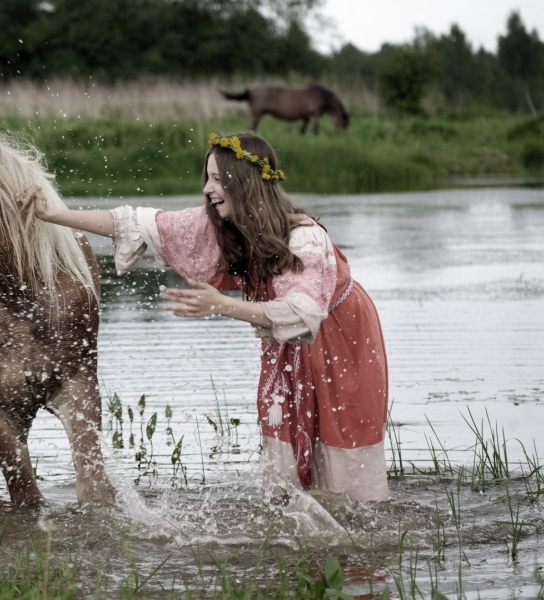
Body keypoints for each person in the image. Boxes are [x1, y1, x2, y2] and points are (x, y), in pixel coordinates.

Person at [22, 132, 389, 502]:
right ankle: (294, 514)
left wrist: (220, 305)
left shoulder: (304, 238)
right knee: (283, 430)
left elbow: (303, 316)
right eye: (207, 178)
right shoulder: (218, 223)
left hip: (340, 334)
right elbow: (136, 223)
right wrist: (52, 215)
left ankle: (356, 522)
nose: (208, 189)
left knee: (340, 436)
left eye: (218, 180)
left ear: (243, 184)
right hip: (283, 338)